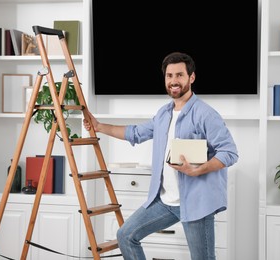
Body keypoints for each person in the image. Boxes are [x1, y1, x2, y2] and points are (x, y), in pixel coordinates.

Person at [83, 52, 238, 260]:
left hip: (195, 203)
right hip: (165, 201)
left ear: (191, 78)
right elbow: (135, 133)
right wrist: (99, 126)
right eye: (169, 75)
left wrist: (199, 169)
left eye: (179, 75)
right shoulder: (163, 114)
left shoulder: (206, 114)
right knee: (126, 235)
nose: (173, 81)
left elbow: (230, 152)